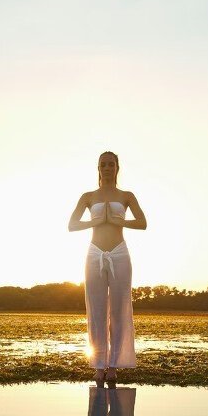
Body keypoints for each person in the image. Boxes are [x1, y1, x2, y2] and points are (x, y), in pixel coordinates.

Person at [67, 151, 147, 386]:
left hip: (120, 253)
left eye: (111, 164)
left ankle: (113, 365)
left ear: (117, 167)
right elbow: (72, 225)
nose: (107, 167)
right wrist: (96, 222)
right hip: (94, 254)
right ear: (98, 168)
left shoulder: (126, 196)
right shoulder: (88, 196)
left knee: (120, 309)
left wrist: (119, 222)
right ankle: (98, 365)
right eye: (103, 164)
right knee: (97, 309)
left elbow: (143, 223)